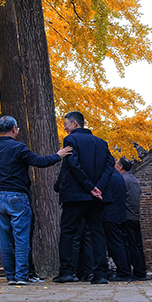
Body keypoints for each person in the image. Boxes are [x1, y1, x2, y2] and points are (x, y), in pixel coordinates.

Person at [0, 115, 72, 285]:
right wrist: (58, 155)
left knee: (4, 239)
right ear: (14, 129)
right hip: (17, 195)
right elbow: (39, 162)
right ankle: (21, 275)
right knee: (21, 238)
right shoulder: (19, 148)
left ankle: (10, 276)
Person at [54, 110, 113, 284]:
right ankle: (100, 274)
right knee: (97, 233)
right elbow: (109, 165)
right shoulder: (102, 143)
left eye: (65, 124)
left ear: (74, 123)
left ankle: (66, 271)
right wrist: (99, 187)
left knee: (68, 232)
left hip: (76, 195)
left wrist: (90, 187)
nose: (65, 128)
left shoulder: (70, 140)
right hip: (97, 197)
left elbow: (74, 165)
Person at [103, 158, 133, 281]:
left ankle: (123, 272)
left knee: (115, 244)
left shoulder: (108, 177)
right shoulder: (119, 177)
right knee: (122, 243)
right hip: (120, 214)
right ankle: (126, 270)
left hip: (111, 214)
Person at [117, 157, 147, 279]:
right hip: (135, 215)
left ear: (120, 167)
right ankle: (141, 270)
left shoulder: (122, 180)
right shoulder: (134, 179)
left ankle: (136, 271)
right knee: (137, 244)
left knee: (130, 244)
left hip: (127, 215)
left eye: (116, 164)